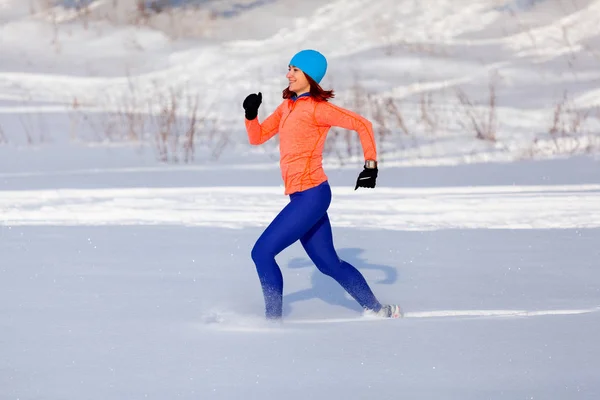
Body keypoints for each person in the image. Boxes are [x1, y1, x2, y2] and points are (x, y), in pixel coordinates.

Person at [242, 49, 401, 320]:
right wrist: (250, 114)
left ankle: (272, 323)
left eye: (294, 70)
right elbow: (257, 137)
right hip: (301, 197)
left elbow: (362, 124)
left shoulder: (318, 109)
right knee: (329, 264)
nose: (288, 74)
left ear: (310, 76)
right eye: (288, 68)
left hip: (312, 195)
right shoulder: (287, 107)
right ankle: (379, 311)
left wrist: (370, 165)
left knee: (262, 252)